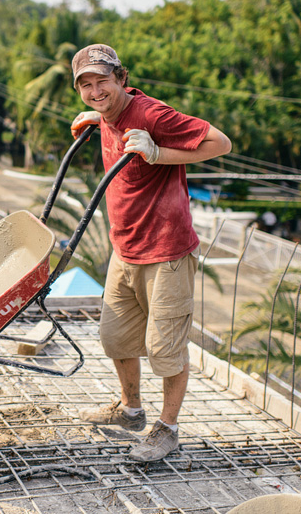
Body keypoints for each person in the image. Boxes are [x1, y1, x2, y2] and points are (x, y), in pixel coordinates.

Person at [69, 44, 232, 462]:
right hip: (124, 250)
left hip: (166, 252)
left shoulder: (152, 115)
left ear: (121, 78)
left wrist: (159, 154)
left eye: (101, 81)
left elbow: (220, 143)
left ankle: (168, 429)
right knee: (116, 338)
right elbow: (111, 118)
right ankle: (131, 411)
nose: (94, 90)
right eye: (85, 85)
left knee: (165, 349)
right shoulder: (109, 114)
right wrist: (98, 117)